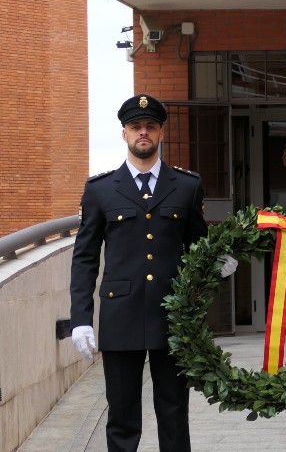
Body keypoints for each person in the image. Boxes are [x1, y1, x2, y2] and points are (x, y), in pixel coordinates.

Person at [69, 93, 235, 452]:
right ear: (124, 134)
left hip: (172, 317)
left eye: (150, 126)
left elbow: (198, 247)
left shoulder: (187, 186)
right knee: (122, 420)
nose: (142, 132)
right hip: (121, 315)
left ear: (161, 133)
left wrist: (220, 265)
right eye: (135, 127)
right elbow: (84, 259)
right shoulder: (99, 190)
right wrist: (80, 318)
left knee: (174, 415)